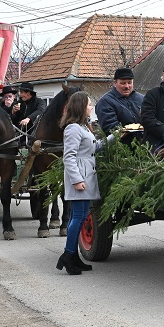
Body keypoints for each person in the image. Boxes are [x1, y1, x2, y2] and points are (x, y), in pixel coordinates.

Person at [57, 91, 118, 275]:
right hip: (80, 178)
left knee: (80, 216)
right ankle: (68, 255)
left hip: (86, 175)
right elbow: (69, 157)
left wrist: (115, 136)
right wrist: (77, 181)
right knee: (78, 217)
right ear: (81, 106)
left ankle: (73, 256)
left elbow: (94, 148)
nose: (91, 107)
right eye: (89, 104)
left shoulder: (83, 127)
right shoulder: (73, 128)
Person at [95, 67, 144, 135]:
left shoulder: (142, 99)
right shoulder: (106, 102)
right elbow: (111, 129)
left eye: (129, 83)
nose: (127, 86)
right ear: (115, 83)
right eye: (123, 83)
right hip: (122, 144)